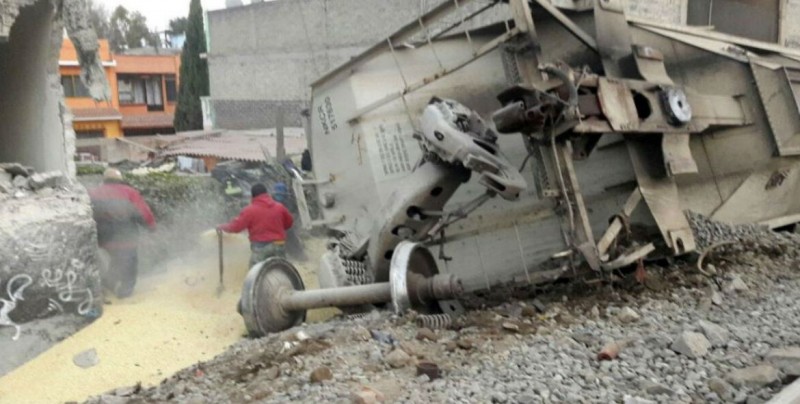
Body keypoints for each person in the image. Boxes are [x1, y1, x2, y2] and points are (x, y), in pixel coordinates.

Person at [88, 168, 156, 298]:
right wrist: (151, 226)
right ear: (120, 180)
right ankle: (124, 293)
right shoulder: (129, 193)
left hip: (103, 238)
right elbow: (143, 212)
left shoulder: (94, 193)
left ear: (105, 180)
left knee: (116, 259)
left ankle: (108, 283)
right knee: (129, 264)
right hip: (126, 237)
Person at [218, 183, 294, 268]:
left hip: (261, 247)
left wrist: (222, 227)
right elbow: (289, 223)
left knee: (255, 273)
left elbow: (236, 227)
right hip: (279, 245)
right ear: (267, 194)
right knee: (283, 269)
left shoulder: (249, 210)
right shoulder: (280, 207)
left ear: (252, 196)